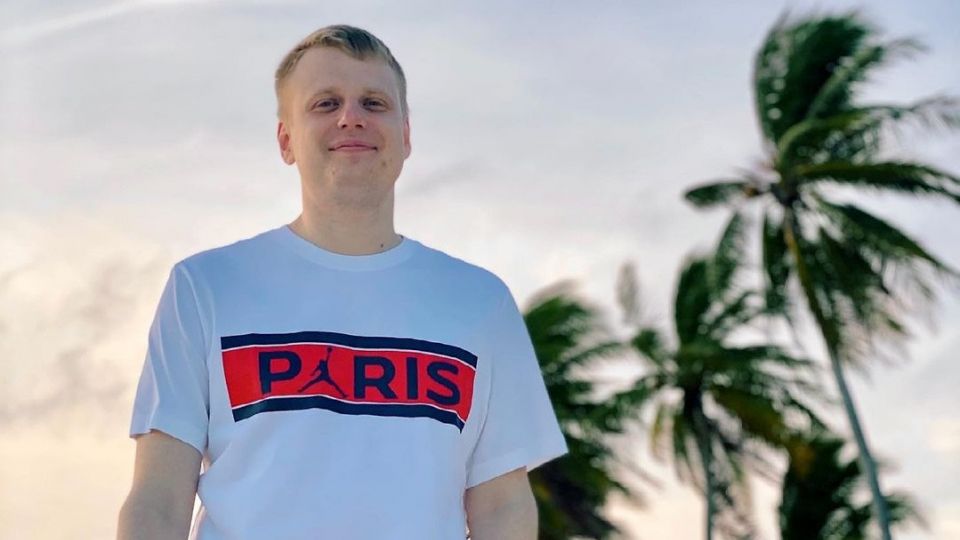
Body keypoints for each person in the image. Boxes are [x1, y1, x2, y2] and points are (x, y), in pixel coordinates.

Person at [116, 24, 568, 540]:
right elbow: (157, 500)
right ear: (286, 140)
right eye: (325, 103)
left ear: (406, 136)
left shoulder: (480, 302)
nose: (351, 117)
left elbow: (503, 507)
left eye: (374, 103)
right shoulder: (205, 287)